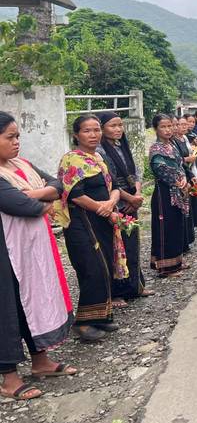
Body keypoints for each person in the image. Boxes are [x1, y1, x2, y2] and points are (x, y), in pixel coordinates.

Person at [0, 112, 77, 400]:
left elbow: (57, 185)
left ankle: (40, 360)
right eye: (10, 137)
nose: (17, 142)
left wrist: (30, 195)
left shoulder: (21, 165)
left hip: (28, 250)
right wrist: (39, 200)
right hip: (5, 254)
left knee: (32, 298)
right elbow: (23, 206)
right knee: (7, 310)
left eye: (17, 136)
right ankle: (8, 378)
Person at [54, 115, 126, 342]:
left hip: (102, 220)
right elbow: (74, 195)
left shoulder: (98, 158)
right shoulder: (71, 161)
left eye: (96, 130)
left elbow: (114, 186)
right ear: (76, 135)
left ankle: (101, 316)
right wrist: (101, 207)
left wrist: (110, 203)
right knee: (91, 268)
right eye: (87, 131)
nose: (93, 135)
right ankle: (83, 322)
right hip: (82, 222)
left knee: (105, 265)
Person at [96, 112, 153, 307]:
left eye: (120, 125)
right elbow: (108, 181)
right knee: (116, 247)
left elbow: (136, 172)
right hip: (115, 201)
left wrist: (136, 194)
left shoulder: (122, 146)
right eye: (113, 126)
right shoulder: (99, 151)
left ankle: (135, 285)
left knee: (132, 245)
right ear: (102, 128)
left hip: (130, 199)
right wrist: (128, 198)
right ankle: (117, 292)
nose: (118, 129)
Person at [149, 114, 189, 278]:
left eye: (169, 126)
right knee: (166, 228)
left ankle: (177, 260)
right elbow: (160, 168)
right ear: (156, 129)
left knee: (177, 226)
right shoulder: (156, 148)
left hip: (178, 189)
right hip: (164, 193)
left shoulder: (172, 144)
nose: (168, 130)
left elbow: (180, 165)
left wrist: (185, 180)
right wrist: (178, 181)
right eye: (163, 127)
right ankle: (167, 267)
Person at [172, 116, 197, 251]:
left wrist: (189, 176)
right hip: (173, 185)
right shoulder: (161, 146)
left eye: (178, 124)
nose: (176, 128)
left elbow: (180, 163)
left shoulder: (178, 141)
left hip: (185, 176)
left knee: (186, 212)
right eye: (175, 125)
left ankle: (186, 242)